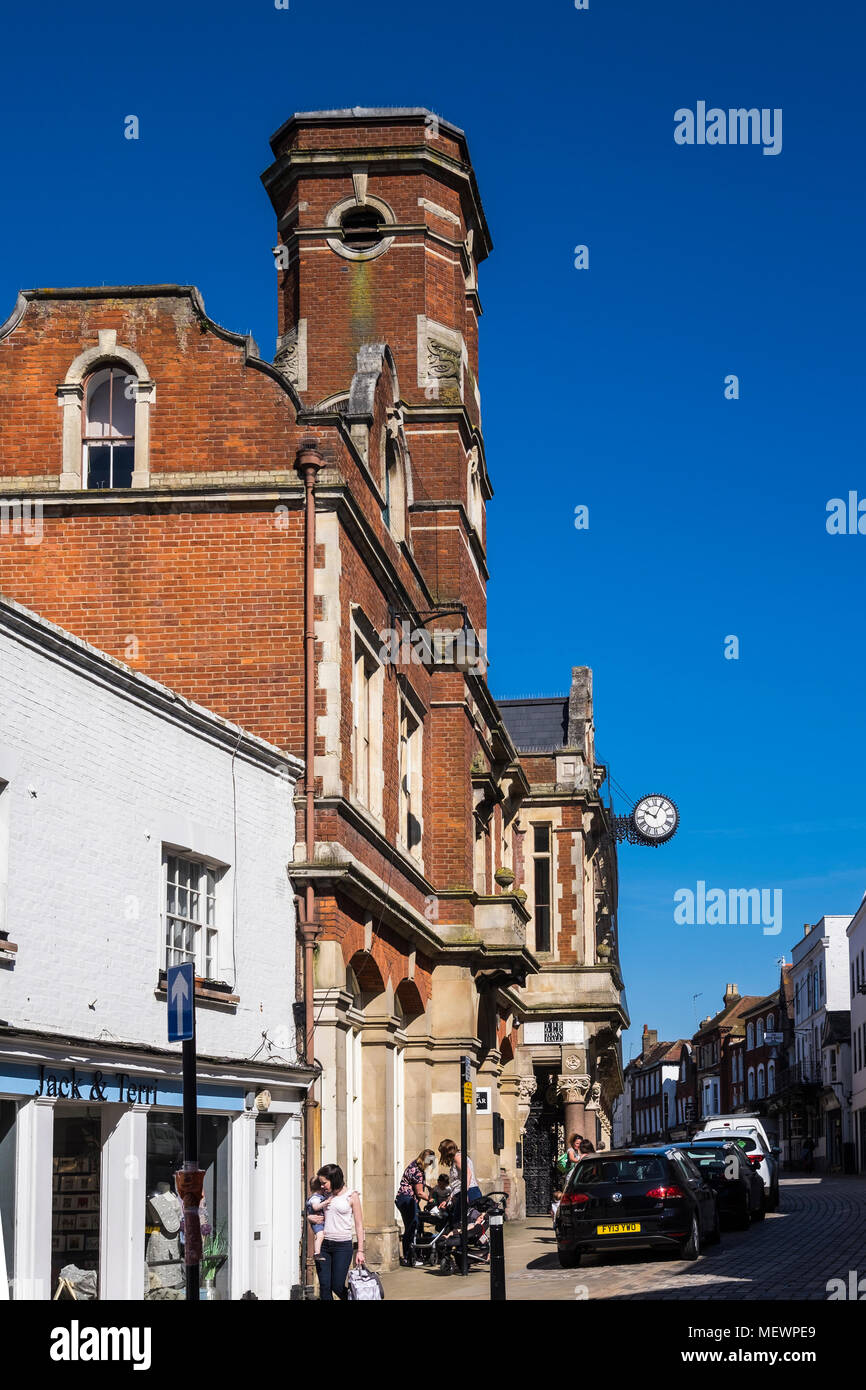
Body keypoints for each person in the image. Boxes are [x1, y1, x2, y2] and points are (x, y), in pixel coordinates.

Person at [315, 1163, 365, 1300]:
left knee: (337, 1285)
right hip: (324, 1245)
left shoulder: (351, 1195)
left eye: (324, 1183)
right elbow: (311, 1208)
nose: (322, 1186)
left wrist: (360, 1250)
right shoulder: (323, 1195)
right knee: (325, 1286)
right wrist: (310, 1217)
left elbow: (359, 1225)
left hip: (342, 1247)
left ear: (334, 1179)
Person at [395, 1149, 435, 1266]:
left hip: (405, 1199)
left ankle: (414, 1255)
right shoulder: (418, 1171)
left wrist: (427, 1185)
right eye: (430, 1162)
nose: (431, 1165)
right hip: (407, 1200)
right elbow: (420, 1193)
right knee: (412, 1226)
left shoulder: (415, 1165)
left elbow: (414, 1182)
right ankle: (409, 1257)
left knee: (415, 1225)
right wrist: (433, 1200)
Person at [439, 1138, 482, 1221]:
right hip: (465, 1192)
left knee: (462, 1223)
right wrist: (448, 1200)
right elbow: (458, 1182)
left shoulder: (458, 1157)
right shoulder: (459, 1157)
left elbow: (468, 1174)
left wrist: (464, 1194)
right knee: (461, 1223)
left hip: (469, 1192)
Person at [305, 1176, 328, 1261]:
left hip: (320, 1222)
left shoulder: (319, 1196)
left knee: (321, 1235)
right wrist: (325, 1202)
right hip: (317, 1222)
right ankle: (317, 1253)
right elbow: (315, 1207)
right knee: (320, 1235)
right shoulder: (315, 1198)